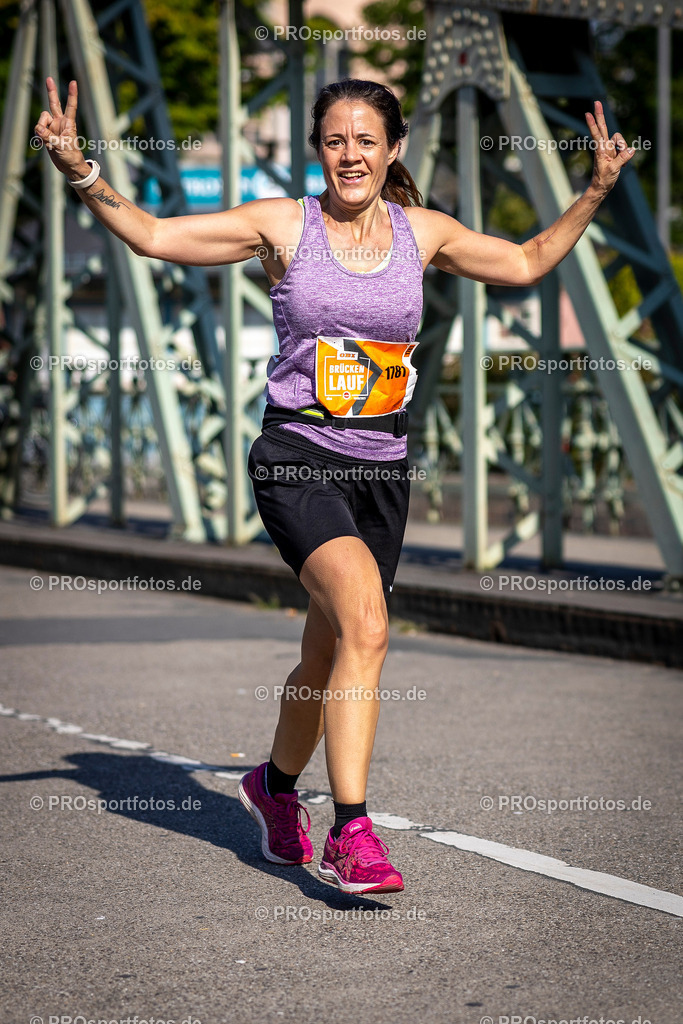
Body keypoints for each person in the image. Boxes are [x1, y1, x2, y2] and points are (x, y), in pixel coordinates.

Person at [36, 75, 633, 895]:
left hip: (382, 470)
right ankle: (353, 831)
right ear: (319, 149)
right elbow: (150, 235)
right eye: (333, 140)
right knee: (367, 623)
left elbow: (527, 261)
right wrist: (79, 168)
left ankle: (273, 789)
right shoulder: (284, 225)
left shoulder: (424, 232)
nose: (348, 154)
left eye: (365, 140)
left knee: (327, 651)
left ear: (393, 151)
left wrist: (595, 187)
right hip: (296, 458)